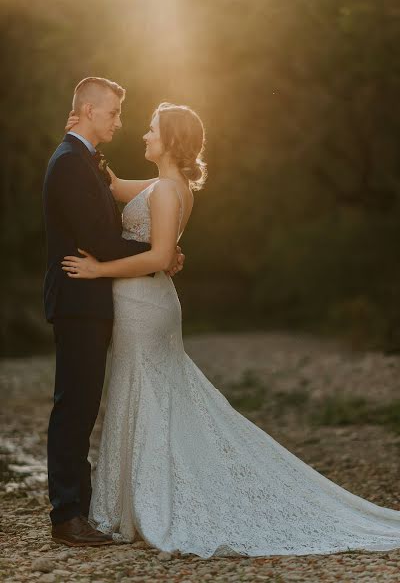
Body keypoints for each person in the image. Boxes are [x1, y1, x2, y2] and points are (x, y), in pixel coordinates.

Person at [61, 102, 400, 558]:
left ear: (172, 140)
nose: (143, 135)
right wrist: (88, 145)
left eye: (152, 129)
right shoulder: (169, 186)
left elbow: (162, 257)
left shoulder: (165, 192)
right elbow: (118, 187)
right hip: (151, 302)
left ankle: (157, 501)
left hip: (145, 302)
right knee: (151, 394)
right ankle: (149, 495)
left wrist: (99, 269)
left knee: (148, 393)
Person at [42, 78, 184, 547]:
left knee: (83, 403)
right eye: (113, 114)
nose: (119, 123)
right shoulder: (68, 164)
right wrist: (160, 255)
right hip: (80, 298)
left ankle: (78, 507)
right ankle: (67, 514)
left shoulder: (84, 161)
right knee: (76, 404)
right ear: (87, 109)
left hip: (95, 298)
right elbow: (99, 242)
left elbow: (113, 208)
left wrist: (163, 252)